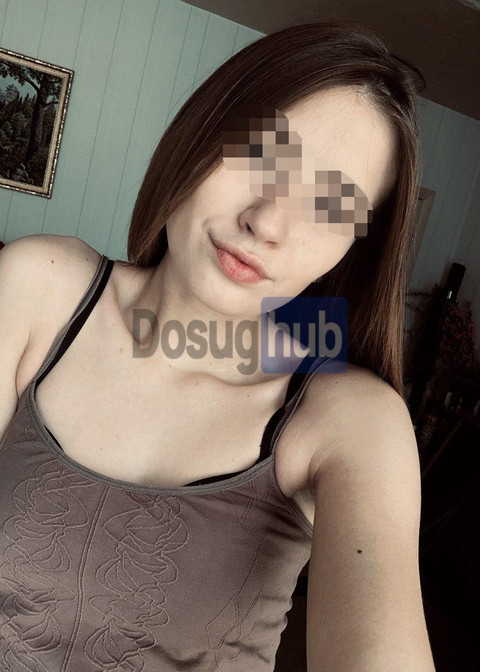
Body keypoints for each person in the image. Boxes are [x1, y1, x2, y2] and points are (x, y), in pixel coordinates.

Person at [0, 21, 436, 672]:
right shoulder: (40, 287)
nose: (266, 221)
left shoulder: (351, 420)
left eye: (329, 204)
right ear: (202, 133)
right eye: (260, 155)